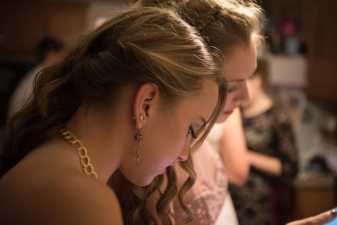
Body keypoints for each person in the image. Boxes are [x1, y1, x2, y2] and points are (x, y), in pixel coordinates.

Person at [0, 7, 226, 225]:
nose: (185, 154)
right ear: (146, 104)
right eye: (191, 129)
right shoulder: (81, 200)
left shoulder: (53, 159)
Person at [109, 0, 262, 225]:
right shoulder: (153, 156)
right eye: (230, 86)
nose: (246, 98)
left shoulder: (191, 141)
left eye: (248, 79)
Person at [229, 58, 299, 225]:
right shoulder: (233, 112)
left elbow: (290, 167)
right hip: (232, 200)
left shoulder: (277, 118)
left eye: (243, 82)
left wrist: (245, 156)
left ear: (258, 80)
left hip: (262, 204)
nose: (238, 91)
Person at [8, 37, 65, 118]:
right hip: (22, 128)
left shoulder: (37, 73)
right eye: (62, 55)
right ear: (51, 55)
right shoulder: (42, 77)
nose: (64, 59)